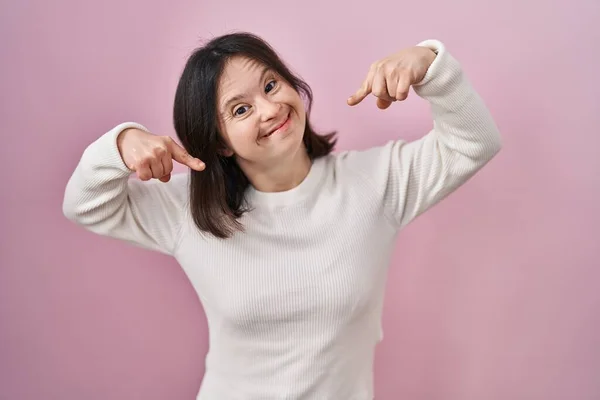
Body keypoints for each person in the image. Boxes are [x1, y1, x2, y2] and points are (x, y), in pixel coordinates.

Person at [63, 31, 501, 399]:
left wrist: (430, 63)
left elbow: (474, 143)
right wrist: (120, 144)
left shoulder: (374, 183)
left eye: (271, 85)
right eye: (241, 109)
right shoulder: (189, 210)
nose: (270, 109)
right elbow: (85, 205)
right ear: (219, 143)